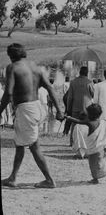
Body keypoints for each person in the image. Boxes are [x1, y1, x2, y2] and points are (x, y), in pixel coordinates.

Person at [0, 43, 64, 188]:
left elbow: (9, 93)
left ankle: (49, 180)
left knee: (34, 146)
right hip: (37, 108)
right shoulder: (36, 67)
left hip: (25, 109)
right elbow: (50, 88)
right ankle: (12, 177)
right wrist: (59, 110)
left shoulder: (13, 67)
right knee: (20, 143)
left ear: (11, 56)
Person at [66, 104, 106, 184]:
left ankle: (97, 179)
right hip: (100, 148)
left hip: (93, 149)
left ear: (90, 115)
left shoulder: (90, 123)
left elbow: (78, 121)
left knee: (94, 165)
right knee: (103, 163)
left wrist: (69, 118)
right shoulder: (102, 122)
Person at [67, 66, 94, 157]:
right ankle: (87, 144)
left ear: (79, 72)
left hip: (75, 107)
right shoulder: (89, 82)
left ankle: (73, 143)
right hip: (87, 108)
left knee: (74, 125)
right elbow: (93, 94)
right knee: (88, 126)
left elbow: (69, 97)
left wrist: (68, 108)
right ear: (87, 73)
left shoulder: (73, 82)